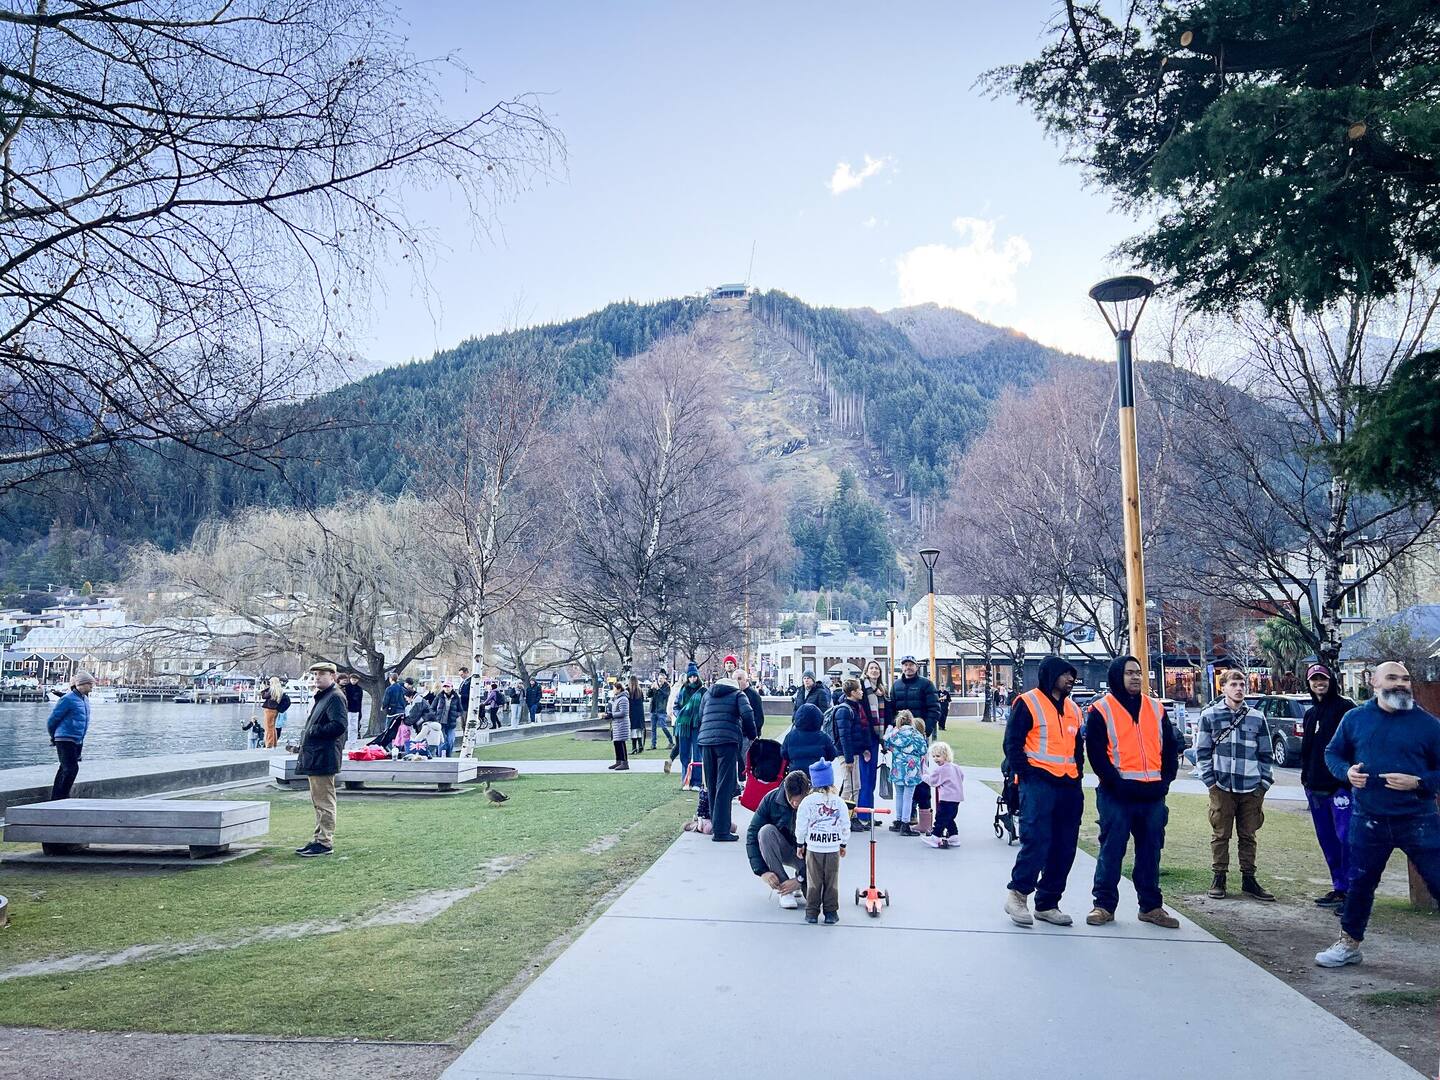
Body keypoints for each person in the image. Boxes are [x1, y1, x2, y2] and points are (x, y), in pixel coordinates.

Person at [1316, 661, 1440, 968]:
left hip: (1418, 819)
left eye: (1406, 678)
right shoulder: (1355, 719)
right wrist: (1347, 773)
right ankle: (1348, 945)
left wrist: (1421, 782)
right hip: (1368, 818)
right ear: (1374, 682)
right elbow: (1333, 753)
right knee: (1359, 885)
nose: (1401, 683)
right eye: (1393, 677)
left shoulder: (1429, 725)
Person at [1084, 655, 1181, 928]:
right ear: (1117, 675)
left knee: (1151, 851)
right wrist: (1117, 784)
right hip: (1117, 795)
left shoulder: (1156, 708)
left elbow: (1170, 748)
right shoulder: (1101, 710)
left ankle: (1150, 906)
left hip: (1152, 795)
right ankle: (1103, 905)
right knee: (1112, 850)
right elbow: (1096, 754)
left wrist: (1165, 782)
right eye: (1129, 673)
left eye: (1138, 672)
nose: (1136, 677)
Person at [1003, 655, 1086, 927]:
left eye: (1072, 675)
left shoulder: (1074, 708)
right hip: (1037, 782)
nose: (1071, 679)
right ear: (1051, 675)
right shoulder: (1028, 702)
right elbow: (1012, 743)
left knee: (1064, 847)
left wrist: (1078, 776)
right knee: (1036, 840)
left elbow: (1077, 747)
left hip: (1068, 784)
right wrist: (1024, 775)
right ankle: (1017, 895)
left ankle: (1048, 902)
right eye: (1065, 674)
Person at [1196, 668, 1276, 901]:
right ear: (1223, 687)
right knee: (1221, 833)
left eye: (1242, 684)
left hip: (1251, 786)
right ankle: (1219, 876)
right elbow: (1202, 752)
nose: (1239, 689)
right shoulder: (1210, 715)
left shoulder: (1256, 717)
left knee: (1248, 834)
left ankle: (1249, 879)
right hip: (1222, 785)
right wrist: (1211, 783)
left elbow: (1266, 754)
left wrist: (1263, 784)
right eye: (1234, 684)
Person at [1300, 662, 1356, 910]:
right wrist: (1306, 778)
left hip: (1341, 787)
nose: (1319, 683)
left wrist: (1348, 778)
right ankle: (1340, 888)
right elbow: (1307, 750)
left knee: (1347, 839)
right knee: (1328, 841)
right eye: (1314, 680)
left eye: (1323, 679)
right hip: (1315, 788)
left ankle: (1356, 893)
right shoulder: (1310, 713)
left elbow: (1355, 746)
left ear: (1331, 681)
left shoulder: (1346, 709)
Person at [696, 663, 756, 842]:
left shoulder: (708, 694)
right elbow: (748, 715)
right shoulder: (738, 694)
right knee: (725, 785)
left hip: (706, 742)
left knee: (712, 784)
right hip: (727, 742)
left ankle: (717, 824)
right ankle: (722, 831)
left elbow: (701, 716)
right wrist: (752, 735)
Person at [295, 661, 348, 857]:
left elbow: (339, 725)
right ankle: (319, 838)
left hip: (323, 756)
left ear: (332, 677)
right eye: (315, 674)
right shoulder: (324, 696)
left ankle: (325, 841)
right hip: (316, 755)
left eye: (322, 674)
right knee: (319, 801)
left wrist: (314, 731)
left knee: (324, 801)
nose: (317, 677)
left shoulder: (334, 697)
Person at [747, 769, 813, 910]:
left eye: (799, 800)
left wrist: (801, 879)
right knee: (765, 832)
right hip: (785, 848)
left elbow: (825, 848)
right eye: (792, 799)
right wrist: (762, 871)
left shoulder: (816, 804)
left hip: (809, 855)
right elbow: (752, 835)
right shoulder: (771, 799)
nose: (795, 804)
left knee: (816, 900)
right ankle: (784, 889)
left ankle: (801, 879)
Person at [795, 759, 850, 924]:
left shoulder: (807, 802)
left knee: (814, 881)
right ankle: (831, 912)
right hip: (832, 848)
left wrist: (800, 844)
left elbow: (801, 825)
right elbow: (845, 825)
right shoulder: (839, 802)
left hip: (813, 848)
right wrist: (843, 843)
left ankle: (811, 913)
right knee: (831, 881)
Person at [46, 669, 94, 800]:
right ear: (81, 684)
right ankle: (62, 797)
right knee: (71, 768)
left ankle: (57, 797)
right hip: (64, 738)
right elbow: (53, 719)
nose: (92, 686)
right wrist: (53, 736)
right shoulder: (67, 699)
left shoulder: (85, 700)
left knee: (65, 768)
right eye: (89, 684)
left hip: (77, 739)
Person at [883, 710, 928, 836]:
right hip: (911, 769)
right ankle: (905, 823)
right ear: (911, 720)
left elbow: (886, 744)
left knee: (899, 795)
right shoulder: (916, 734)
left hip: (898, 767)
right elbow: (923, 749)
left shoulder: (895, 734)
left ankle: (898, 820)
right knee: (908, 796)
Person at [921, 740, 965, 848]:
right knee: (949, 818)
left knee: (940, 817)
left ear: (945, 755)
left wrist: (923, 776)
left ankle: (935, 837)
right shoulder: (955, 767)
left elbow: (932, 781)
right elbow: (961, 777)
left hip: (946, 798)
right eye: (934, 756)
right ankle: (954, 837)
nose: (936, 759)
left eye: (938, 756)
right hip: (957, 798)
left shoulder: (941, 770)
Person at [671, 663, 706, 788]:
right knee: (684, 753)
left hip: (697, 725)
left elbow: (705, 707)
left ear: (697, 676)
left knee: (698, 754)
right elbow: (676, 706)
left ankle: (696, 781)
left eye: (694, 676)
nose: (693, 679)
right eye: (690, 677)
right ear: (687, 677)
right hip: (684, 725)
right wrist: (680, 714)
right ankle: (685, 780)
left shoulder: (703, 691)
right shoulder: (683, 690)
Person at [781, 701, 837, 778]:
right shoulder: (823, 737)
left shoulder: (790, 736)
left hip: (796, 776)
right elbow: (832, 755)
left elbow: (784, 754)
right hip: (818, 776)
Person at [891, 655, 940, 739]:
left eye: (911, 665)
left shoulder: (926, 684)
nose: (908, 667)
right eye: (905, 665)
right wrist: (894, 726)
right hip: (900, 732)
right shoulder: (896, 685)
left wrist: (926, 730)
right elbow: (891, 709)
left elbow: (934, 708)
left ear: (916, 667)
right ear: (902, 667)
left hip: (919, 732)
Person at [737, 668, 764, 783]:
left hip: (748, 735)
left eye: (739, 679)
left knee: (746, 762)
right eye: (735, 679)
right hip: (736, 734)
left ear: (746, 679)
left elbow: (759, 717)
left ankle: (747, 783)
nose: (737, 682)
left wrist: (752, 733)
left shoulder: (753, 695)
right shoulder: (735, 694)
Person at [648, 671, 676, 752]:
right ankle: (653, 744)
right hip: (653, 709)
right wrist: (651, 688)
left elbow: (666, 695)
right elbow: (649, 695)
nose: (660, 680)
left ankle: (671, 741)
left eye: (661, 678)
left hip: (662, 710)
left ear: (664, 679)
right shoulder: (654, 685)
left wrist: (658, 689)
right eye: (659, 678)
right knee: (653, 728)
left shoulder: (667, 686)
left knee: (663, 726)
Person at [431, 681, 460, 757]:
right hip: (440, 723)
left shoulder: (456, 698)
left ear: (452, 687)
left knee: (450, 741)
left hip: (451, 723)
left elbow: (460, 710)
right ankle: (441, 757)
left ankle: (448, 756)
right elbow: (432, 708)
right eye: (445, 687)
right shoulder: (439, 697)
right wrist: (436, 716)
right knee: (443, 742)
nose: (446, 688)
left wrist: (455, 715)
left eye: (448, 686)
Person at [608, 681, 631, 771]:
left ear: (619, 689)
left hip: (622, 725)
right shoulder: (617, 698)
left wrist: (612, 715)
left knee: (621, 743)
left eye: (614, 688)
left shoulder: (623, 699)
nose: (613, 690)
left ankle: (624, 762)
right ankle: (619, 761)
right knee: (616, 742)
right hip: (617, 724)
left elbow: (623, 712)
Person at [260, 676, 287, 749]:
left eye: (270, 682)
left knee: (268, 727)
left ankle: (269, 744)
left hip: (269, 710)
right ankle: (274, 743)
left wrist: (263, 689)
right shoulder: (279, 690)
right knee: (272, 727)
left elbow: (264, 696)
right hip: (275, 710)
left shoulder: (272, 690)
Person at [342, 674, 364, 746]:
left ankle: (353, 741)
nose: (353, 681)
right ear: (350, 679)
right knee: (347, 726)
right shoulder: (346, 688)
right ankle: (347, 741)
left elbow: (360, 701)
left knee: (354, 726)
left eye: (355, 680)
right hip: (348, 709)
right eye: (352, 679)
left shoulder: (359, 689)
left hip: (356, 709)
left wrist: (360, 711)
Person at [628, 675, 646, 755]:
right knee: (638, 730)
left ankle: (634, 747)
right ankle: (640, 745)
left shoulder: (628, 690)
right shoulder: (640, 690)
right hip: (640, 713)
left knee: (633, 730)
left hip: (632, 713)